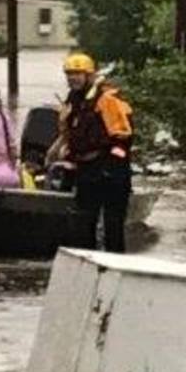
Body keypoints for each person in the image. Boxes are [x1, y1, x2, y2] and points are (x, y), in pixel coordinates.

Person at [58, 52, 133, 252]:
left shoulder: (107, 99)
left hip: (110, 171)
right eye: (69, 74)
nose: (72, 78)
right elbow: (71, 136)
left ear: (89, 75)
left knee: (113, 226)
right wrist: (68, 162)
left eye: (77, 74)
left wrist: (111, 167)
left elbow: (122, 137)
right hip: (86, 169)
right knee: (83, 225)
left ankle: (116, 266)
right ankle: (88, 268)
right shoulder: (74, 100)